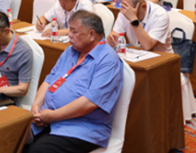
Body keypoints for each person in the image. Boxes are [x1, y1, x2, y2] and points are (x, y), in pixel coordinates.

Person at [26, 11, 123, 153]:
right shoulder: (70, 51)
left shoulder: (108, 60)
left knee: (38, 151)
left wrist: (52, 116)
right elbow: (49, 80)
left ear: (91, 34)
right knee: (12, 138)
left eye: (74, 31)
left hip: (80, 127)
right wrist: (36, 106)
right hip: (47, 118)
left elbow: (89, 103)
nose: (69, 35)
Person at [108, 0, 172, 52]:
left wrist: (134, 20)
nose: (127, 13)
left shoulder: (160, 15)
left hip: (162, 56)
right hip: (136, 54)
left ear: (144, 6)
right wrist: (112, 39)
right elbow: (115, 34)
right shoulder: (125, 10)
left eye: (133, 11)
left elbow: (148, 46)